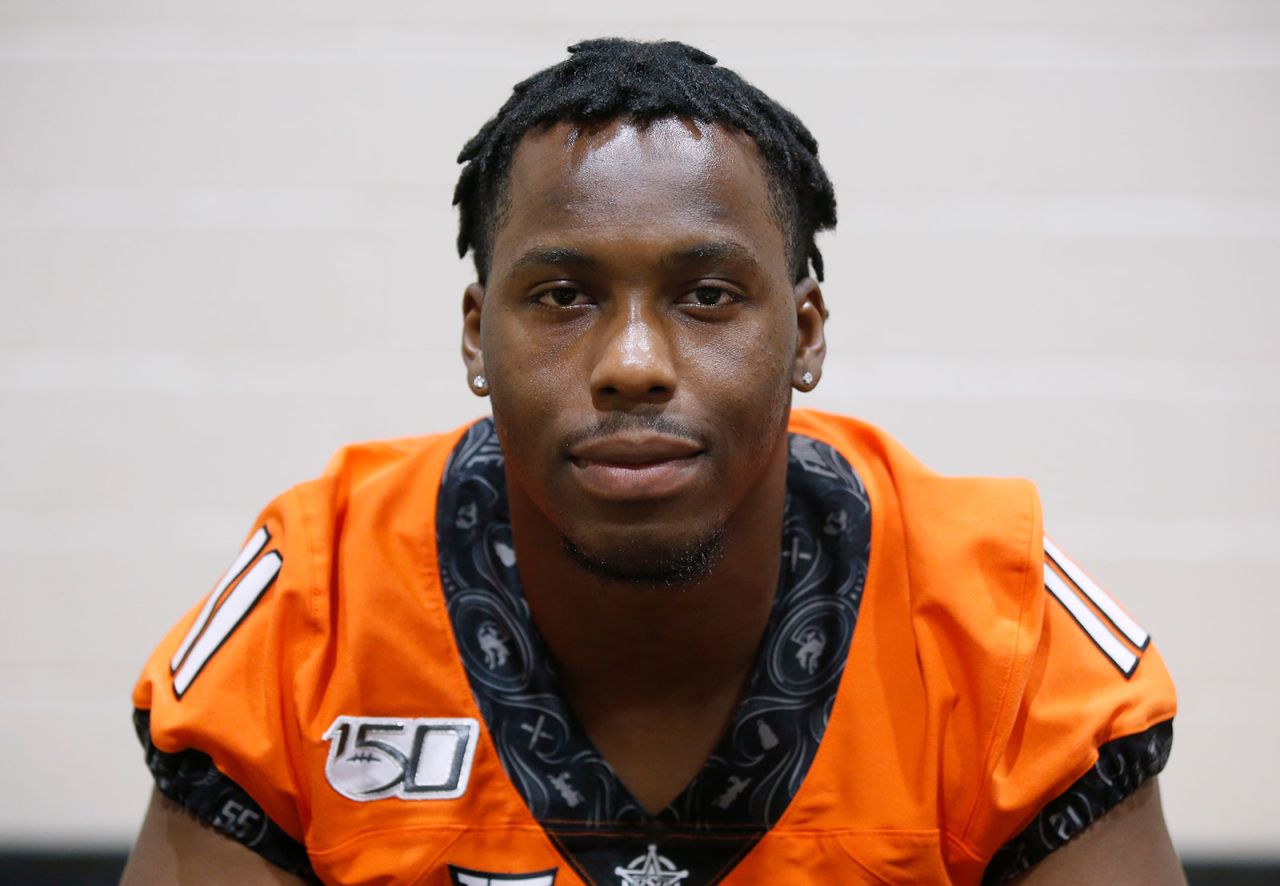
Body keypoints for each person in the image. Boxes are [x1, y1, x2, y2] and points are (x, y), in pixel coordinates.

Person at [121, 38, 1182, 885]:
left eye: (707, 295)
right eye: (561, 296)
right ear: (473, 335)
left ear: (805, 333)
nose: (633, 364)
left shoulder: (996, 627)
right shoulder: (317, 602)